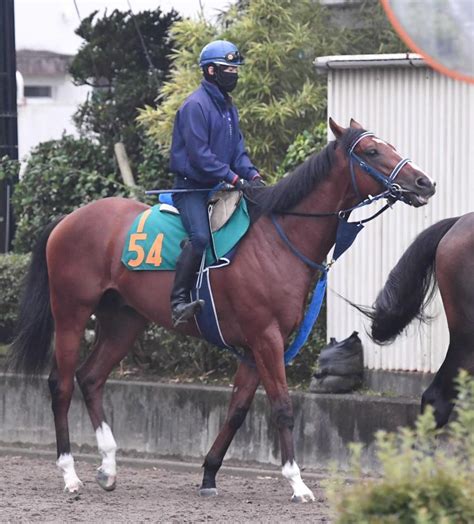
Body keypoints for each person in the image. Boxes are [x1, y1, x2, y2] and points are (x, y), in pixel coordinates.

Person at [169, 39, 263, 327]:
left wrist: (253, 175)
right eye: (228, 69)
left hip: (220, 186)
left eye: (235, 69)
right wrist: (234, 178)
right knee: (200, 238)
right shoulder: (194, 106)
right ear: (210, 71)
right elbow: (200, 156)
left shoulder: (227, 108)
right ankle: (179, 301)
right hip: (191, 189)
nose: (233, 73)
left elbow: (237, 151)